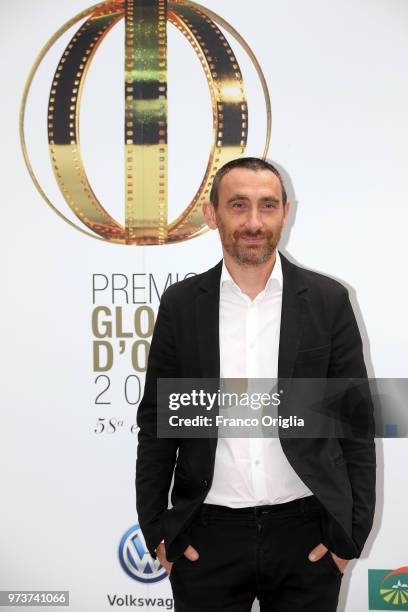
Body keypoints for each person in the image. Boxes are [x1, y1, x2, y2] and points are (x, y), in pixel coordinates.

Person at [135, 157, 376, 612]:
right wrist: (156, 530)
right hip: (206, 538)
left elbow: (355, 425)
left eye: (267, 206)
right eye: (238, 205)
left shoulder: (328, 302)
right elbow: (157, 426)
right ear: (213, 214)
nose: (253, 222)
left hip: (307, 535)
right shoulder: (182, 306)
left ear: (286, 212)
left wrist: (350, 536)